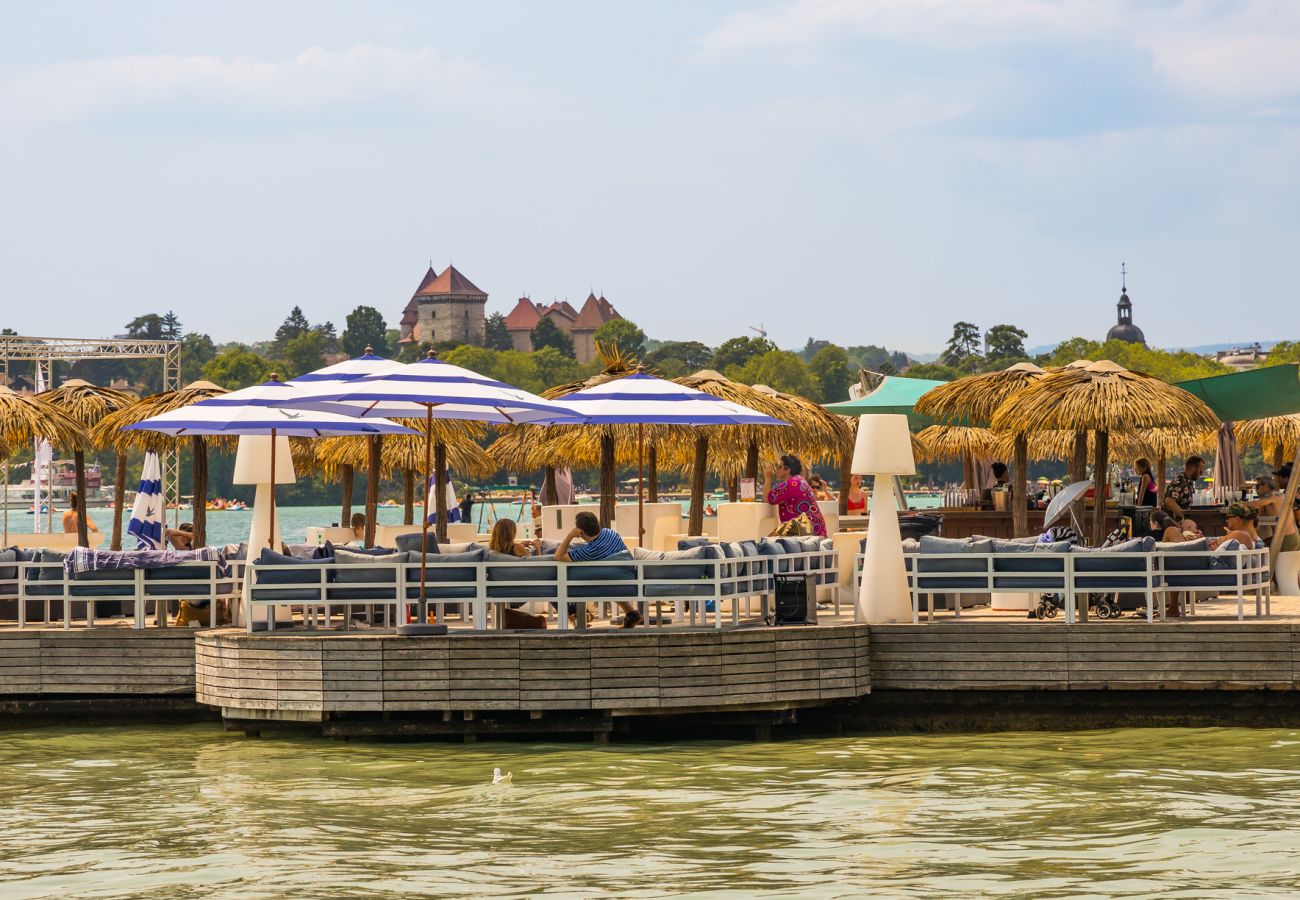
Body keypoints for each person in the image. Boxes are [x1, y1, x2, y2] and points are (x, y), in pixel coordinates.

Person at [555, 511, 641, 628]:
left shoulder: (589, 551)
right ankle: (631, 613)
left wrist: (570, 535)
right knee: (609, 576)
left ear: (581, 531)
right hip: (628, 576)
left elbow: (558, 556)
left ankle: (577, 618)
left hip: (610, 583)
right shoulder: (610, 533)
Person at [763, 454, 827, 537]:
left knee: (766, 542)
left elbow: (767, 499)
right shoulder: (800, 480)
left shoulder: (791, 484)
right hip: (815, 531)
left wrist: (768, 478)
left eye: (779, 467)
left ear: (787, 470)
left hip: (805, 532)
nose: (777, 470)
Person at [1251, 464, 1299, 552]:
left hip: (1286, 538)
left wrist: (1238, 504)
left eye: (1258, 486)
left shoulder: (1274, 496)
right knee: (1262, 546)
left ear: (1265, 485)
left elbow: (1255, 504)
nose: (1256, 489)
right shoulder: (1277, 495)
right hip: (1290, 536)